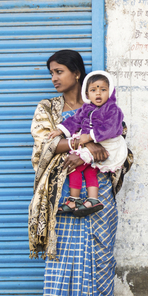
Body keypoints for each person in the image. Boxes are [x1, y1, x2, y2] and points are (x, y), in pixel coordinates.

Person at [28, 50, 132, 296]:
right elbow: (45, 143)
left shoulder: (106, 106)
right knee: (63, 267)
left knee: (99, 266)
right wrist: (87, 143)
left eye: (59, 71)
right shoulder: (49, 108)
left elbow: (120, 146)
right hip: (62, 196)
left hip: (99, 197)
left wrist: (96, 146)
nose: (54, 78)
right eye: (51, 73)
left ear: (77, 73)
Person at [47, 71, 128, 217]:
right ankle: (92, 199)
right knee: (90, 171)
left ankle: (74, 200)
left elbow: (112, 129)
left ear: (110, 91)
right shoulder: (86, 108)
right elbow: (74, 121)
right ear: (86, 93)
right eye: (93, 90)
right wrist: (60, 130)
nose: (98, 93)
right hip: (89, 142)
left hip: (109, 144)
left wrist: (89, 137)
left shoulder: (112, 109)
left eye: (103, 89)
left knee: (75, 168)